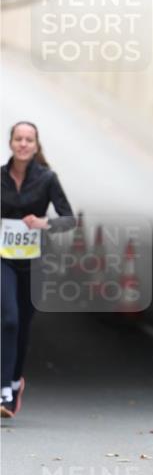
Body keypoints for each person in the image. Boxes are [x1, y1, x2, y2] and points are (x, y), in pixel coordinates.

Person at [1, 122, 74, 417]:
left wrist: (44, 223)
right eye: (18, 139)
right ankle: (4, 389)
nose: (23, 144)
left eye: (28, 140)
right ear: (11, 143)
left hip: (34, 261)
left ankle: (16, 382)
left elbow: (68, 219)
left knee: (23, 325)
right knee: (9, 320)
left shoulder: (47, 179)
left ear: (35, 145)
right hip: (3, 258)